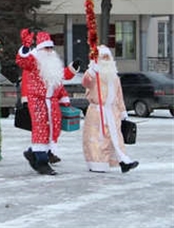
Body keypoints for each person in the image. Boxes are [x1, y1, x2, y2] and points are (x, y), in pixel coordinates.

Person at [16, 29, 78, 175]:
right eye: (46, 47)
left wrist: (73, 68)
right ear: (40, 49)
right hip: (37, 100)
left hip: (52, 101)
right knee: (41, 128)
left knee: (54, 128)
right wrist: (25, 47)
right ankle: (42, 161)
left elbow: (62, 76)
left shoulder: (53, 63)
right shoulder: (33, 60)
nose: (49, 50)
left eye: (51, 47)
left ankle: (33, 153)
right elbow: (22, 61)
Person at [82, 45, 139, 173]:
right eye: (103, 57)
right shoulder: (93, 74)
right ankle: (97, 164)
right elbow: (86, 82)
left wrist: (123, 113)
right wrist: (93, 71)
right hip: (97, 113)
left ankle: (123, 160)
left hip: (113, 112)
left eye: (108, 57)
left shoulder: (114, 77)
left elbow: (119, 96)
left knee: (116, 138)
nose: (106, 60)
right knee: (98, 140)